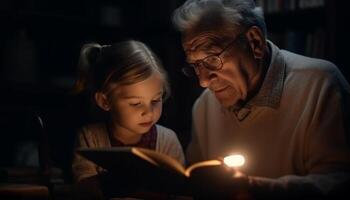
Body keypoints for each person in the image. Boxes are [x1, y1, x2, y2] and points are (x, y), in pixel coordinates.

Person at [172, 0, 350, 199]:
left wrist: (251, 189)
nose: (203, 81)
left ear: (254, 42)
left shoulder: (321, 85)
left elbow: (339, 182)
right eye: (196, 65)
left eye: (212, 59)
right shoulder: (204, 107)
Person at [71, 40, 185, 199]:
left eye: (155, 100)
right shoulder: (90, 138)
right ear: (105, 101)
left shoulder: (167, 140)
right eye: (136, 103)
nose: (148, 112)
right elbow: (86, 191)